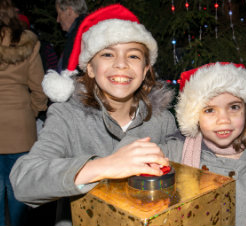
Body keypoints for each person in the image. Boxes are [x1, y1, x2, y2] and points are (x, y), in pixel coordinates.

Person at [10, 4, 177, 226]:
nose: (121, 64)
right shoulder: (67, 116)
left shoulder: (162, 119)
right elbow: (24, 180)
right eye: (107, 54)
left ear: (146, 69)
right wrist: (105, 166)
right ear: (89, 67)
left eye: (134, 56)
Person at [157, 62, 246, 226]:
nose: (224, 119)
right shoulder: (177, 152)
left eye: (234, 107)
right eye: (209, 110)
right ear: (193, 116)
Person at [0, 0, 48, 225]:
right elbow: (39, 88)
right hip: (20, 128)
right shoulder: (26, 42)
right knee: (19, 191)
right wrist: (33, 112)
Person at [56, 0, 87, 72]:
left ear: (69, 11)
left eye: (59, 14)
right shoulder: (79, 30)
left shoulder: (78, 34)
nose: (57, 20)